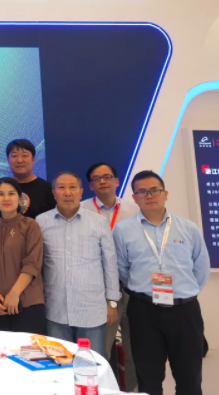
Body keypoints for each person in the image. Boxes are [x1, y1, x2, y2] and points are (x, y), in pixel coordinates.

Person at [113, 170, 210, 395]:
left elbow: (201, 268)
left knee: (190, 377)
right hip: (143, 310)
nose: (149, 196)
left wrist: (183, 293)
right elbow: (123, 269)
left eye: (154, 190)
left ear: (165, 194)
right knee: (148, 377)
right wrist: (144, 290)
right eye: (142, 192)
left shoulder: (188, 228)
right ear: (134, 198)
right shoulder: (123, 230)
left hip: (184, 311)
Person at [36, 171, 120, 356]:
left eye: (72, 187)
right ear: (54, 192)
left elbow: (110, 263)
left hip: (91, 309)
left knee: (92, 365)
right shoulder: (41, 222)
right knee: (59, 365)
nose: (67, 193)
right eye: (62, 188)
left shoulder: (98, 222)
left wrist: (112, 302)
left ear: (81, 191)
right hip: (55, 310)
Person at [81, 162, 140, 389]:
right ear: (90, 185)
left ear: (117, 181)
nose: (102, 181)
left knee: (135, 346)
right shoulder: (82, 209)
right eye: (97, 178)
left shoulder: (133, 209)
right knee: (101, 349)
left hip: (131, 286)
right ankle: (101, 390)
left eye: (107, 177)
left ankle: (133, 390)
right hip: (100, 289)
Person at [0, 177, 46, 335]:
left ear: (20, 198)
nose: (6, 198)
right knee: (3, 349)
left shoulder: (30, 225)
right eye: (0, 194)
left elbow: (32, 264)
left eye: (11, 193)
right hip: (0, 304)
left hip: (28, 302)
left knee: (28, 350)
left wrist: (14, 293)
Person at [0, 139, 56, 220]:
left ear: (33, 159)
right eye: (14, 156)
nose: (19, 160)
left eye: (24, 155)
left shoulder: (47, 188)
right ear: (8, 160)